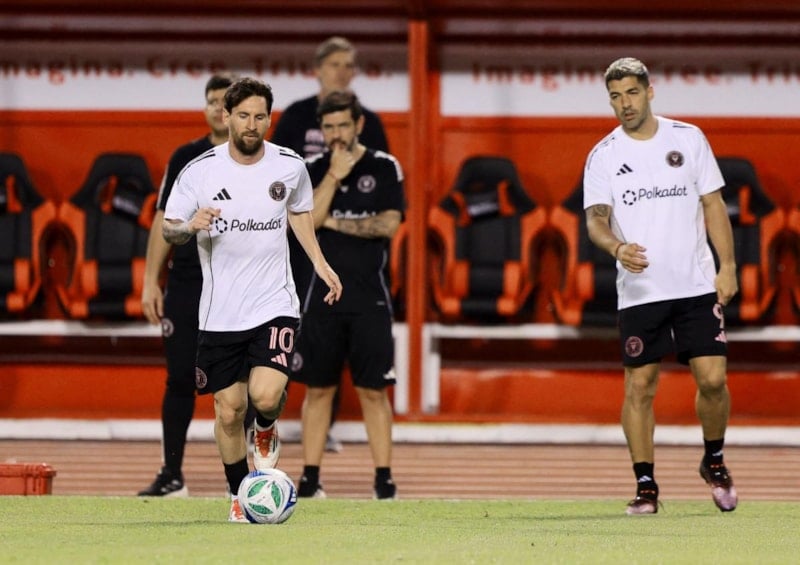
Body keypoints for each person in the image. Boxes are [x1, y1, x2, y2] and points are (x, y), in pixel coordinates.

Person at [162, 77, 342, 522]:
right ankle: (239, 493)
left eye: (260, 116)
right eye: (243, 115)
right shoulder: (199, 171)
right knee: (228, 411)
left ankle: (265, 428)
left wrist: (320, 263)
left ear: (268, 118)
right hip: (220, 313)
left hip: (273, 303)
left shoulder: (289, 165)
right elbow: (169, 228)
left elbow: (299, 213)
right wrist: (190, 226)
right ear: (227, 116)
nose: (251, 124)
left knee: (264, 396)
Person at [583, 57, 739, 515]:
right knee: (640, 386)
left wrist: (727, 265)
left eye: (632, 93)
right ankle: (646, 484)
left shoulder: (688, 139)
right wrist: (617, 248)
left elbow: (713, 204)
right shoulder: (603, 155)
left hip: (695, 284)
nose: (625, 104)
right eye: (615, 97)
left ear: (650, 92)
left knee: (713, 379)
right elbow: (596, 221)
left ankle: (713, 460)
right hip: (641, 290)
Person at [272, 36, 390, 453]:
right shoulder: (295, 116)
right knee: (288, 327)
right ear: (318, 69)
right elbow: (275, 172)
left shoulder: (369, 121)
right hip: (297, 240)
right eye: (336, 64)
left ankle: (325, 426)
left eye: (349, 65)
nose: (343, 71)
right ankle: (265, 420)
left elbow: (382, 181)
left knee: (336, 324)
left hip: (349, 251)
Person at [290, 90, 404, 500]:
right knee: (318, 390)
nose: (336, 134)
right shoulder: (311, 169)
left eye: (343, 125)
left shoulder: (385, 166)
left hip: (370, 298)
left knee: (374, 391)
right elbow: (306, 222)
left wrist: (333, 223)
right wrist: (334, 177)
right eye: (328, 127)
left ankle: (384, 481)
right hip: (320, 298)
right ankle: (310, 478)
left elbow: (388, 225)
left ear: (359, 124)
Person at [138, 73, 234, 497]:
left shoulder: (261, 160)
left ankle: (245, 479)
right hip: (188, 282)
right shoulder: (186, 158)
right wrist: (150, 282)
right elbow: (165, 219)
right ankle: (172, 474)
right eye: (212, 101)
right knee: (179, 378)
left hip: (238, 284)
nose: (218, 109)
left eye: (226, 102)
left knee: (240, 384)